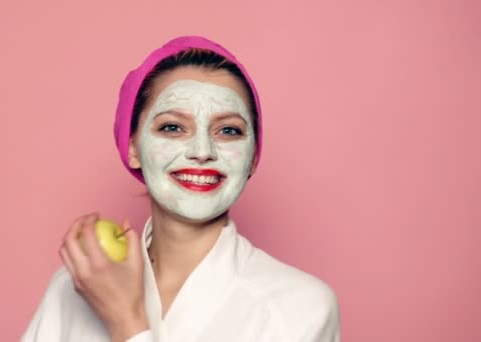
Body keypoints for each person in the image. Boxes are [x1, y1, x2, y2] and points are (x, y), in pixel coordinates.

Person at [21, 35, 341, 342]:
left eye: (228, 130)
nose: (202, 151)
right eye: (173, 127)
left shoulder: (301, 308)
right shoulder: (76, 284)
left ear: (253, 156)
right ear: (131, 146)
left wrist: (126, 323)